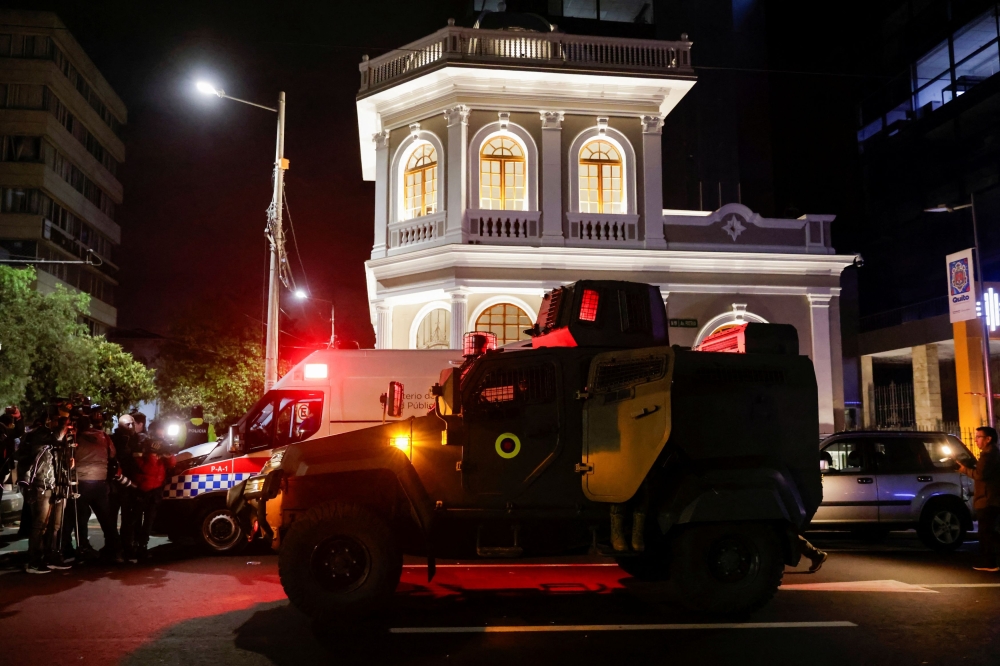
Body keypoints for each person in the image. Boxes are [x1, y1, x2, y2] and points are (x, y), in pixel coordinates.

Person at [17, 413, 72, 573]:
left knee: (55, 525)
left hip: (59, 485)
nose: (64, 425)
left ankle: (51, 557)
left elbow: (62, 454)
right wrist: (63, 423)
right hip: (42, 484)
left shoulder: (59, 437)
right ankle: (34, 561)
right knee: (40, 524)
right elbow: (55, 438)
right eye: (59, 419)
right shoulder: (39, 434)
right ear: (49, 419)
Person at [71, 415, 126, 563]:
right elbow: (112, 454)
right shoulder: (103, 436)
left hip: (81, 482)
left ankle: (84, 548)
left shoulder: (75, 438)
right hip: (100, 482)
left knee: (81, 520)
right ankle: (115, 550)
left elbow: (68, 457)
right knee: (107, 519)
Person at [957, 426, 1000, 572]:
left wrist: (965, 470)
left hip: (987, 499)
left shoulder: (988, 455)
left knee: (986, 532)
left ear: (988, 439)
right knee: (989, 531)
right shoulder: (992, 453)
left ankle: (989, 562)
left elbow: (980, 475)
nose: (976, 440)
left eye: (979, 437)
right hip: (990, 497)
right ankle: (990, 560)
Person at [133, 421, 174, 561]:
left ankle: (142, 546)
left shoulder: (164, 446)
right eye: (160, 431)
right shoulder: (143, 445)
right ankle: (135, 545)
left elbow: (172, 463)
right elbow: (143, 467)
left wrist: (165, 455)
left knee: (149, 520)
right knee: (138, 519)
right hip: (143, 488)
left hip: (156, 488)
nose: (162, 434)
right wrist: (152, 454)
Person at [111, 414, 142, 561]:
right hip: (116, 484)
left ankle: (127, 548)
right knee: (111, 519)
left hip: (131, 485)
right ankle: (113, 549)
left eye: (132, 424)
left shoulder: (138, 439)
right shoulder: (113, 439)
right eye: (128, 424)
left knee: (128, 520)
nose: (131, 427)